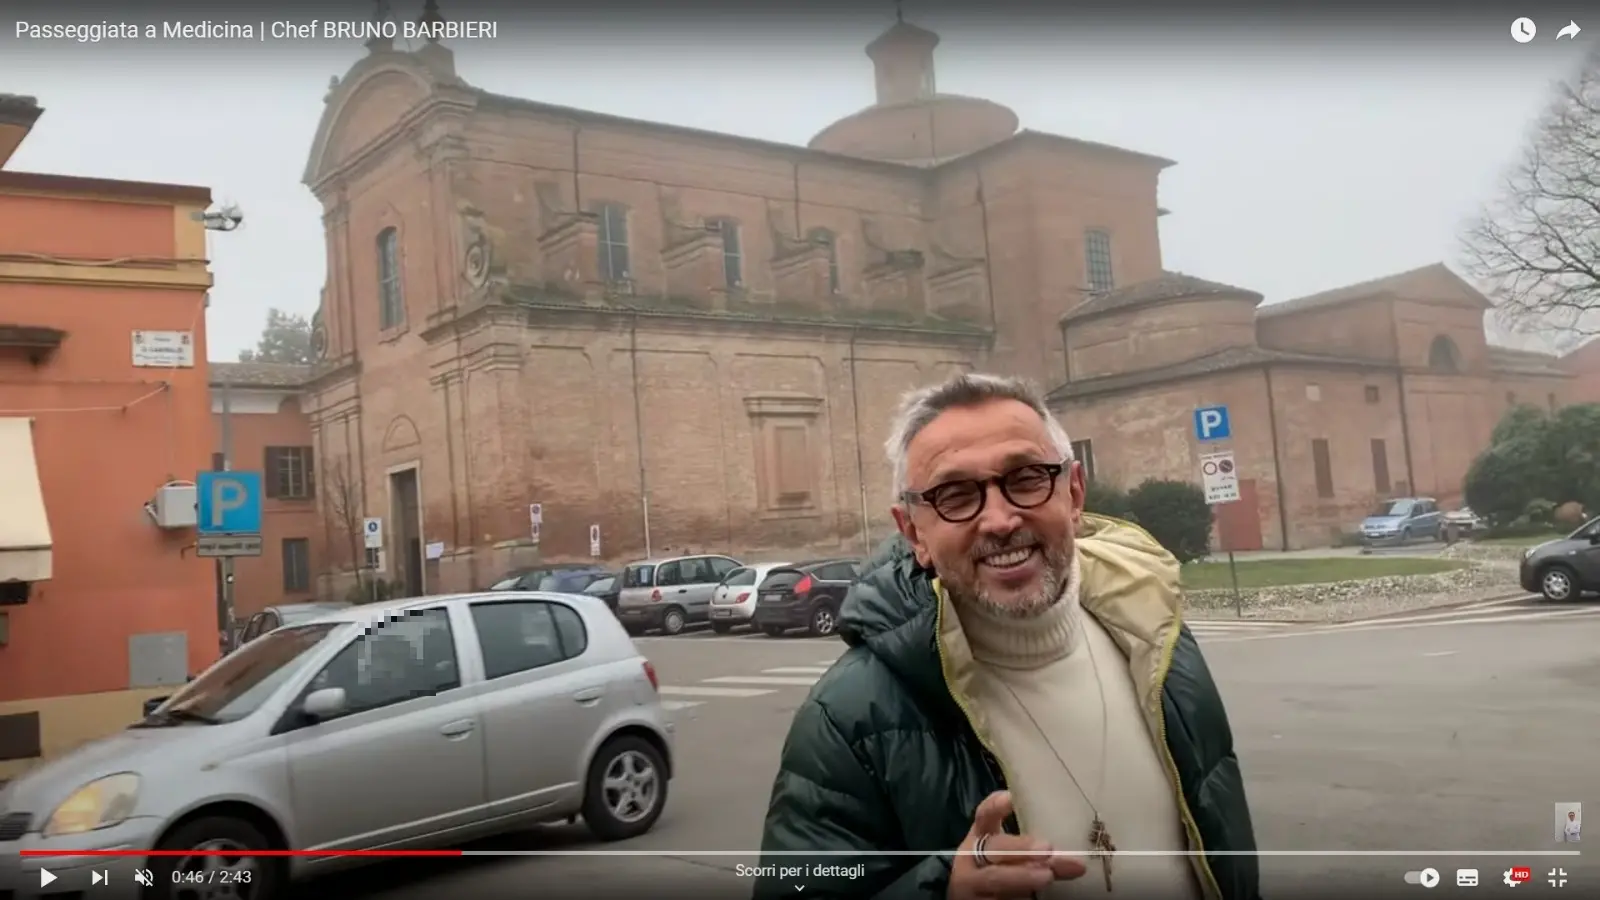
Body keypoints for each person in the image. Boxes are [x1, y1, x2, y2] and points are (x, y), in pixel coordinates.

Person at [755, 373, 1261, 900]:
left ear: (1074, 493)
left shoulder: (1159, 643)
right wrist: (942, 892)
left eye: (1025, 479)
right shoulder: (847, 718)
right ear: (913, 533)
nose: (999, 520)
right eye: (954, 494)